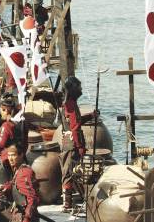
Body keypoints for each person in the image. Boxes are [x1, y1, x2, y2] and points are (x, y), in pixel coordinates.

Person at [60, 76, 97, 212]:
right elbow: (75, 127)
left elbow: (77, 121)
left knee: (71, 170)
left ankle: (71, 200)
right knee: (70, 171)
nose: (81, 90)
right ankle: (67, 204)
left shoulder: (70, 103)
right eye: (79, 87)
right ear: (73, 89)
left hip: (70, 141)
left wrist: (91, 115)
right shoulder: (70, 104)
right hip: (72, 142)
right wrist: (80, 146)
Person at [7, 143, 40, 222]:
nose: (10, 158)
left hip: (24, 216)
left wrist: (27, 218)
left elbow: (32, 198)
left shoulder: (24, 172)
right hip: (19, 214)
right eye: (9, 155)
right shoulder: (18, 169)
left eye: (13, 155)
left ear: (21, 155)